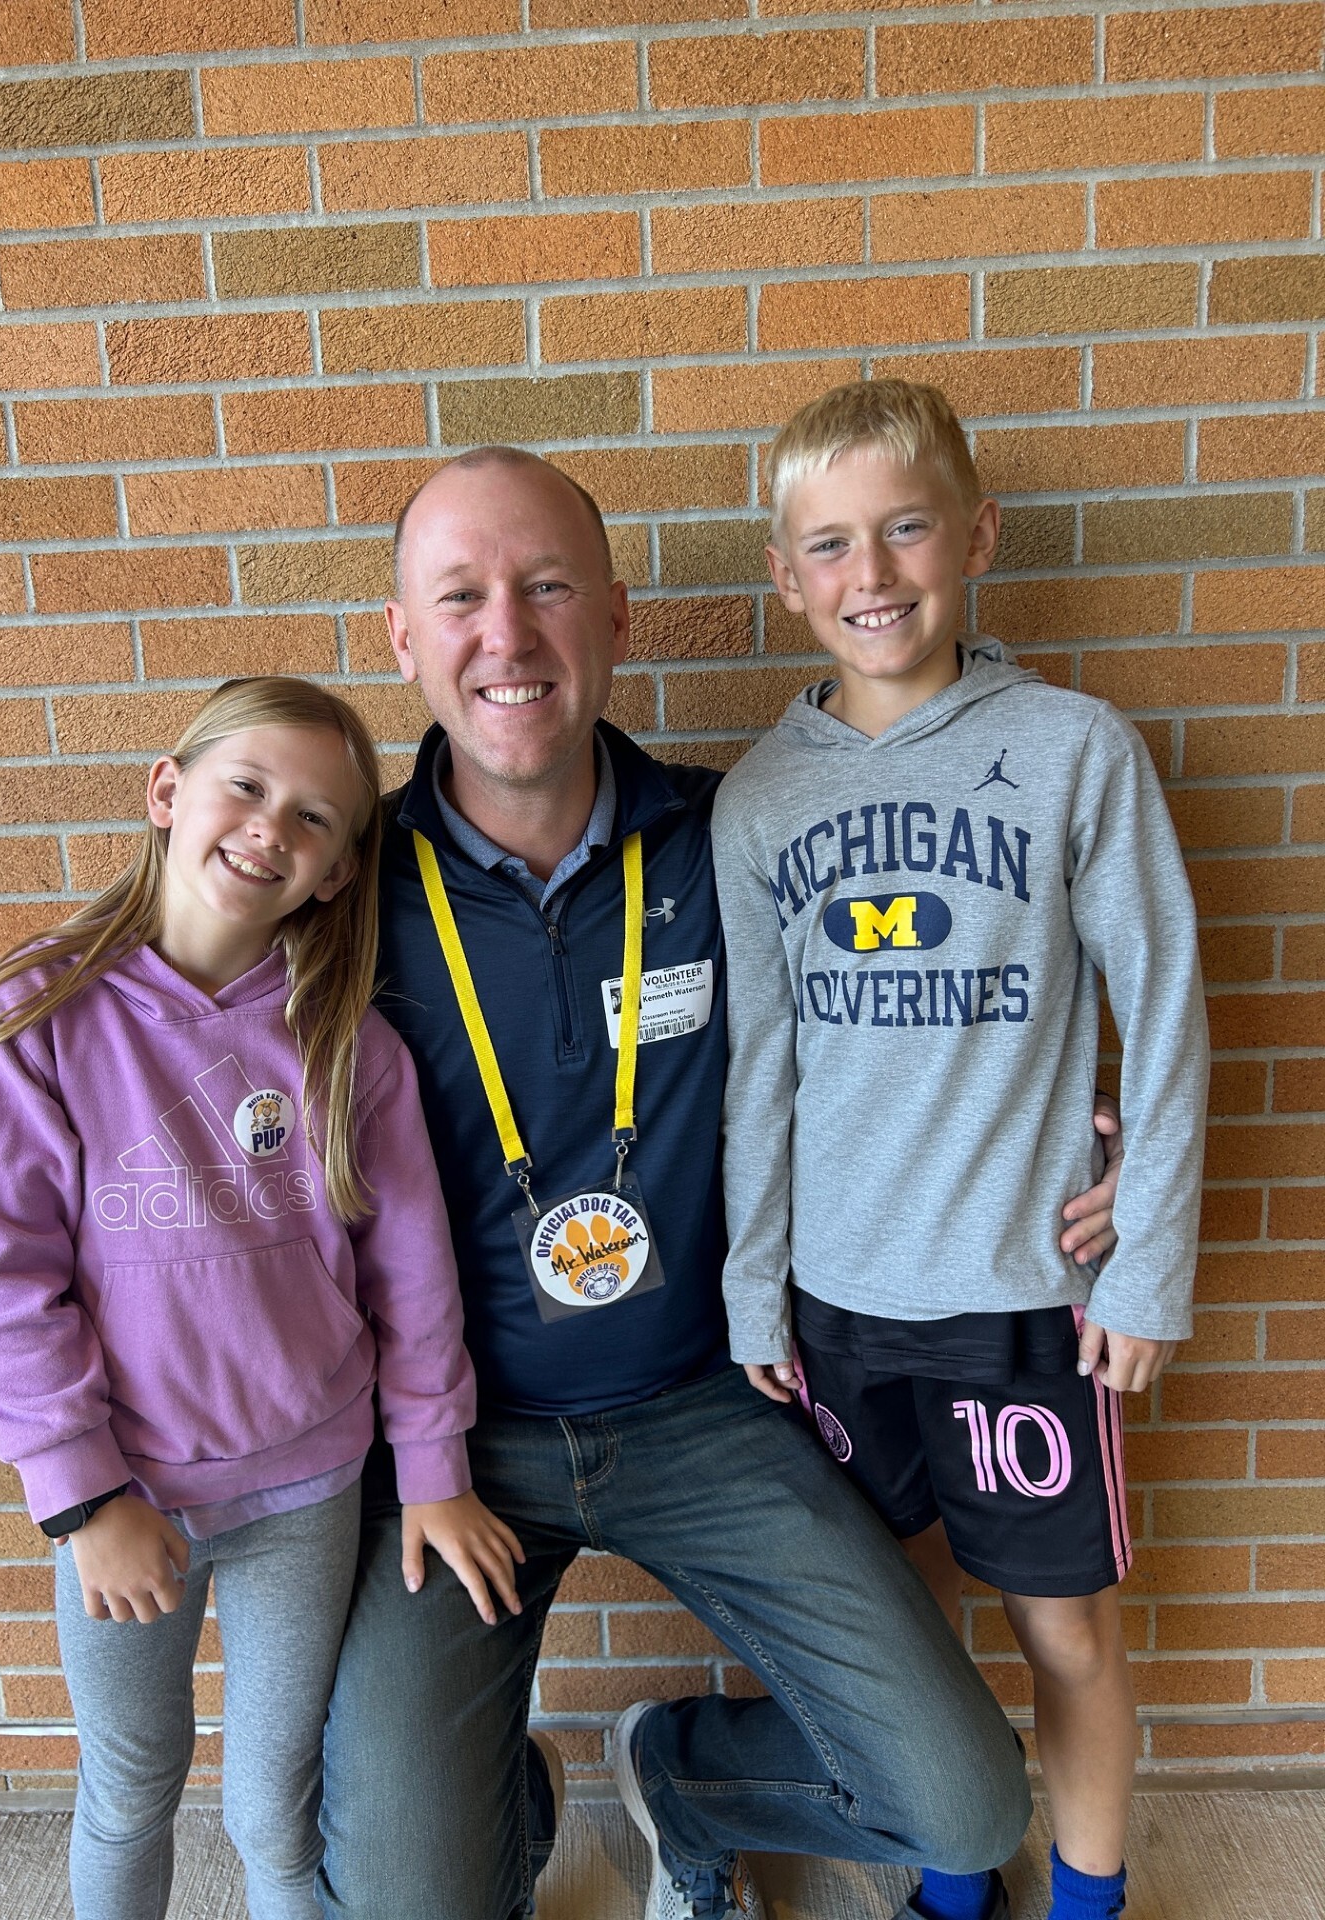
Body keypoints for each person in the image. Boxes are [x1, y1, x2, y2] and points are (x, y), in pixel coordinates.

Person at [317, 448, 1124, 1920]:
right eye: (463, 597)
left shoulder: (737, 835)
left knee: (964, 1801)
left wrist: (1092, 1134)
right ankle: (499, 1791)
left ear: (617, 619)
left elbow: (936, 1005)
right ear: (401, 637)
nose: (509, 635)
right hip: (455, 1445)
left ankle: (679, 1763)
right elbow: (178, 1065)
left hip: (706, 1403)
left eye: (548, 587)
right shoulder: (344, 883)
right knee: (403, 1890)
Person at [712, 381, 1209, 1920]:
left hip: (1026, 1306)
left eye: (908, 527)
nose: (875, 574)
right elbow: (758, 1073)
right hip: (841, 1314)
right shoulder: (760, 798)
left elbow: (1169, 1003)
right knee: (904, 1640)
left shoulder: (1075, 751)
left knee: (1066, 1633)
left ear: (976, 536)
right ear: (787, 580)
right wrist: (753, 1297)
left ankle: (1087, 1899)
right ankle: (949, 1873)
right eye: (832, 545)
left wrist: (1151, 1260)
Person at [0, 677, 522, 1920]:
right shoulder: (33, 1019)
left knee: (273, 1801)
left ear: (336, 875)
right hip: (124, 1500)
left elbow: (413, 1281)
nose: (271, 827)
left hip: (303, 1496)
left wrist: (433, 1467)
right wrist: (83, 1493)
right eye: (246, 787)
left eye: (314, 818)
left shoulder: (348, 1046)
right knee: (133, 1784)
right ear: (167, 791)